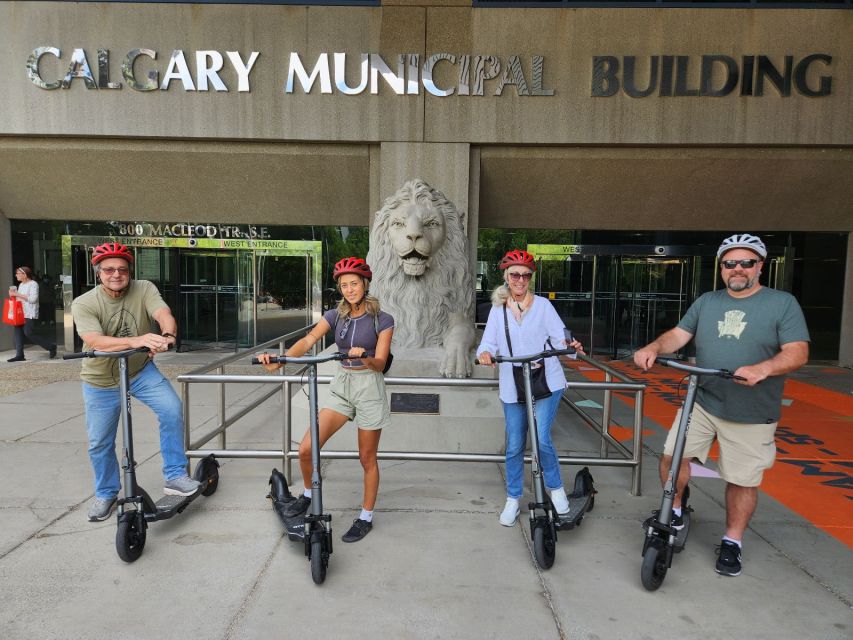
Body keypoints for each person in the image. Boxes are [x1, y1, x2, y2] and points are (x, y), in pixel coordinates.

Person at [633, 233, 809, 577]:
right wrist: (654, 347)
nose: (737, 269)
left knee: (742, 479)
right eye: (730, 263)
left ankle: (732, 542)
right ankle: (678, 510)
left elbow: (797, 352)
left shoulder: (782, 303)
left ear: (760, 266)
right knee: (672, 456)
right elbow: (679, 335)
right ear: (722, 268)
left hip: (752, 410)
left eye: (746, 262)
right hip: (703, 399)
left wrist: (764, 368)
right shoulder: (708, 301)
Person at [258, 257, 394, 543]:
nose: (349, 289)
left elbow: (381, 362)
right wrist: (280, 359)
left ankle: (365, 517)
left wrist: (365, 356)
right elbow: (308, 341)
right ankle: (308, 495)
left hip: (369, 386)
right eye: (344, 285)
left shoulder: (383, 319)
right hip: (342, 384)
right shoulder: (336, 316)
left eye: (354, 283)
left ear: (365, 285)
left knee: (367, 458)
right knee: (307, 449)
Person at [71, 242, 201, 522]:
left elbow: (162, 313)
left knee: (171, 409)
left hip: (139, 372)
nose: (116, 274)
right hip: (100, 380)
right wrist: (138, 340)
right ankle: (106, 492)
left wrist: (167, 335)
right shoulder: (84, 303)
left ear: (129, 271)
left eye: (122, 269)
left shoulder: (144, 288)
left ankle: (175, 475)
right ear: (98, 273)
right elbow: (94, 340)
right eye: (108, 269)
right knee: (99, 442)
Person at [476, 249, 584, 527]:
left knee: (541, 437)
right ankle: (513, 498)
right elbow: (488, 342)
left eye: (525, 275)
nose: (520, 280)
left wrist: (571, 347)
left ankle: (557, 491)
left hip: (546, 381)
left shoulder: (544, 307)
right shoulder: (498, 310)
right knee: (514, 444)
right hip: (513, 385)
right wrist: (485, 353)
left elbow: (561, 339)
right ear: (506, 278)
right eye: (515, 275)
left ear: (531, 278)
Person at [7, 266, 57, 362]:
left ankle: (51, 347)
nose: (16, 275)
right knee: (18, 333)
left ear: (24, 275)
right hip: (20, 312)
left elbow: (33, 299)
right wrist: (13, 295)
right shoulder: (21, 285)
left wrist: (17, 294)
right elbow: (19, 299)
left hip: (29, 313)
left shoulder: (33, 284)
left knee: (29, 333)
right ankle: (19, 355)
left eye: (18, 273)